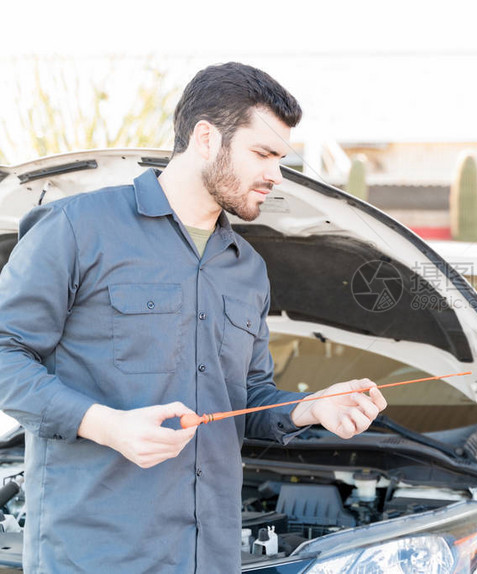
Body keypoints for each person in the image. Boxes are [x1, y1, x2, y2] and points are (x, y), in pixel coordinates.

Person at [0, 62, 387, 573]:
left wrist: (311, 409)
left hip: (211, 556)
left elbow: (246, 402)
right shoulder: (76, 229)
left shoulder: (247, 269)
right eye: (263, 153)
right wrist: (106, 425)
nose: (275, 174)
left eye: (280, 158)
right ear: (206, 137)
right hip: (96, 554)